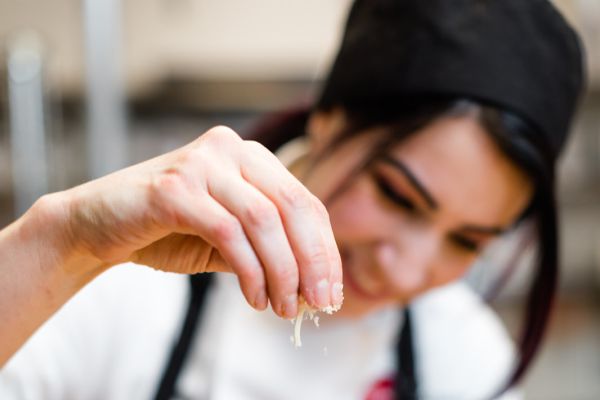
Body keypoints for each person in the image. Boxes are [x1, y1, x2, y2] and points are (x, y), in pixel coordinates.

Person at [0, 0, 585, 399]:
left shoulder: (463, 355)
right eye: (398, 196)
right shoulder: (119, 291)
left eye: (467, 241)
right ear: (329, 118)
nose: (404, 268)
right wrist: (61, 239)